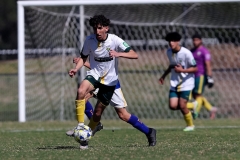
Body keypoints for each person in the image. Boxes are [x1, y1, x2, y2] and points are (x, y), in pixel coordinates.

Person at [68, 15, 156, 149]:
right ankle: (82, 129)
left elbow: (134, 54)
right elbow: (83, 57)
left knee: (122, 115)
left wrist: (119, 54)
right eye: (95, 28)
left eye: (100, 28)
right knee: (81, 92)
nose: (97, 31)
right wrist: (76, 68)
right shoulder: (89, 40)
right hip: (95, 76)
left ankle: (149, 131)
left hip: (110, 82)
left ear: (106, 28)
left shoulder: (115, 40)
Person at [159, 32, 197, 131]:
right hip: (175, 83)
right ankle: (192, 105)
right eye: (169, 41)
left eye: (174, 41)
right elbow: (172, 65)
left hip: (186, 83)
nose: (171, 43)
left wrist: (182, 70)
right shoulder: (168, 52)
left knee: (182, 105)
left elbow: (195, 68)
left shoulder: (186, 53)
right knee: (172, 106)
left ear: (178, 41)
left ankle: (190, 125)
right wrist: (163, 76)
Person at [190, 34, 217, 119]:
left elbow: (208, 64)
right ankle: (211, 109)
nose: (195, 42)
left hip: (200, 75)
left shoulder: (204, 51)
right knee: (195, 95)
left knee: (197, 94)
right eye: (194, 40)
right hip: (192, 76)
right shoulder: (192, 51)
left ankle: (195, 112)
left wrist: (209, 77)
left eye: (197, 40)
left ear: (201, 40)